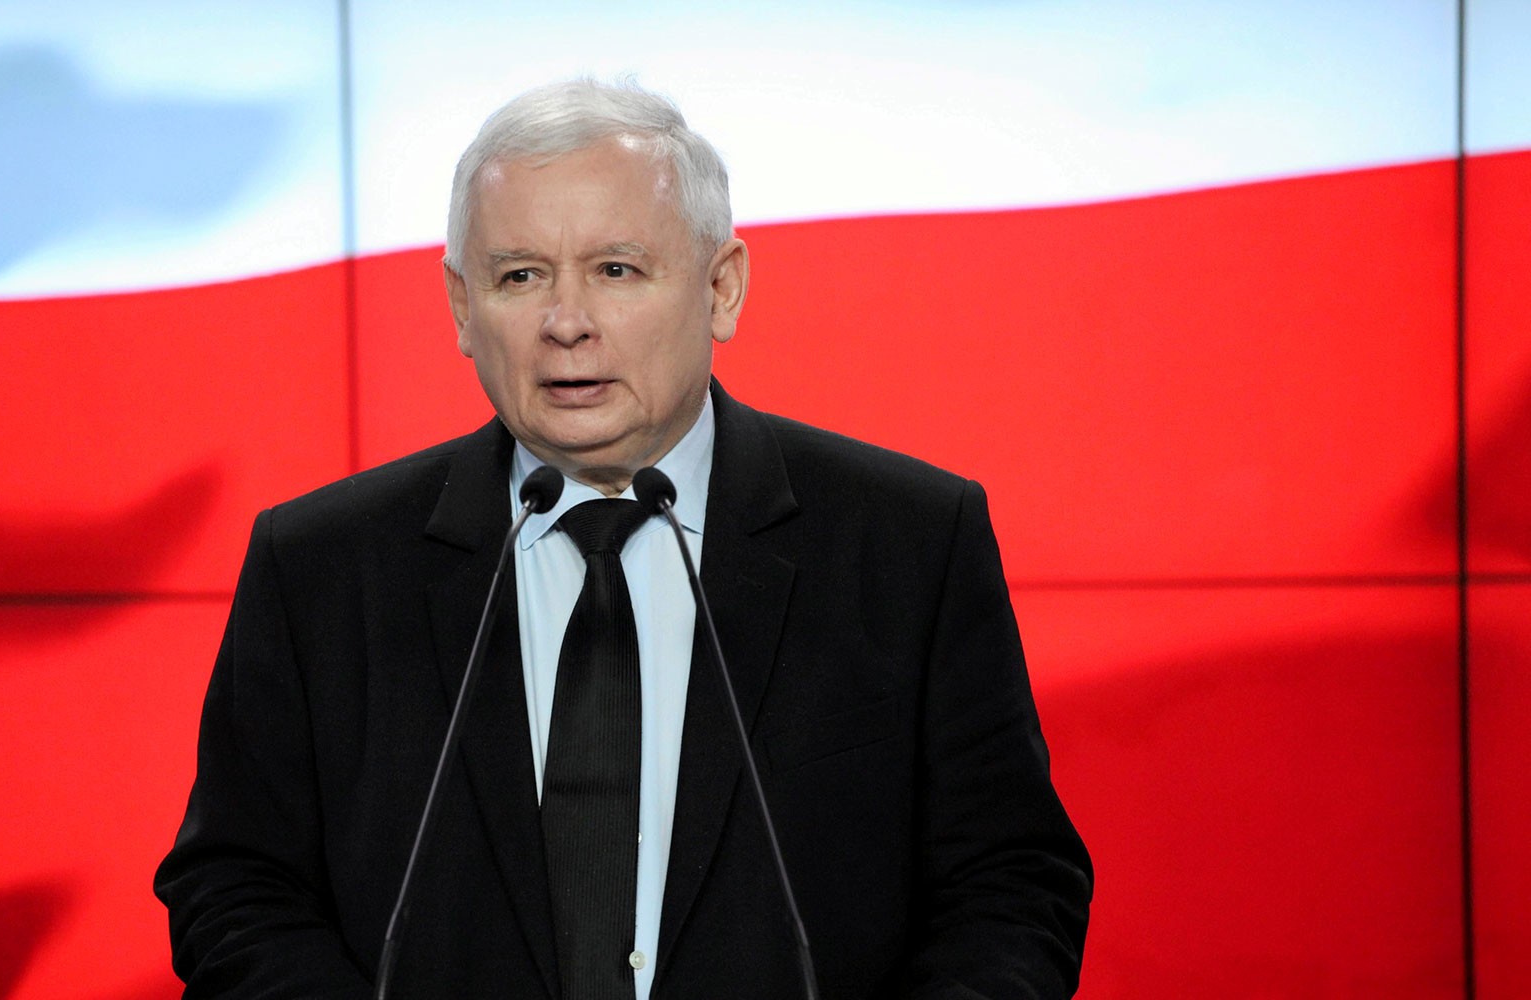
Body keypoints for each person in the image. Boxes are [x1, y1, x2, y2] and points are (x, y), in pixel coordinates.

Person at [155, 78, 1092, 1000]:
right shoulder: (320, 567)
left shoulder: (908, 543)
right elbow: (236, 890)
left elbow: (1009, 888)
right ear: (462, 308)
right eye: (520, 276)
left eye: (616, 270)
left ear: (721, 289)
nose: (567, 324)